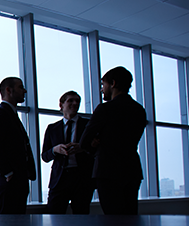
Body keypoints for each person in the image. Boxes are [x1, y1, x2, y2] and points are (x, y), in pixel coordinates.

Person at [79, 67, 147, 215]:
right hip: (132, 170)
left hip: (108, 171)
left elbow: (84, 142)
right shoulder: (139, 110)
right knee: (130, 220)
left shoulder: (105, 109)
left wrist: (95, 145)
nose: (102, 89)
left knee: (113, 222)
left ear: (113, 83)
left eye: (103, 84)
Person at [0, 77, 37, 214]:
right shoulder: (1, 113)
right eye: (21, 87)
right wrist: (8, 173)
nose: (25, 90)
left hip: (16, 179)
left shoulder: (9, 114)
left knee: (13, 225)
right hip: (10, 180)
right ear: (9, 90)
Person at [41, 91, 94, 215]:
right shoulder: (52, 128)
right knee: (54, 217)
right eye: (70, 100)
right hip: (60, 178)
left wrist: (83, 148)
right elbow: (45, 156)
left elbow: (98, 149)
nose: (75, 103)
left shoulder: (88, 125)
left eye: (77, 101)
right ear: (61, 104)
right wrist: (55, 150)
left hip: (82, 178)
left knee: (82, 218)